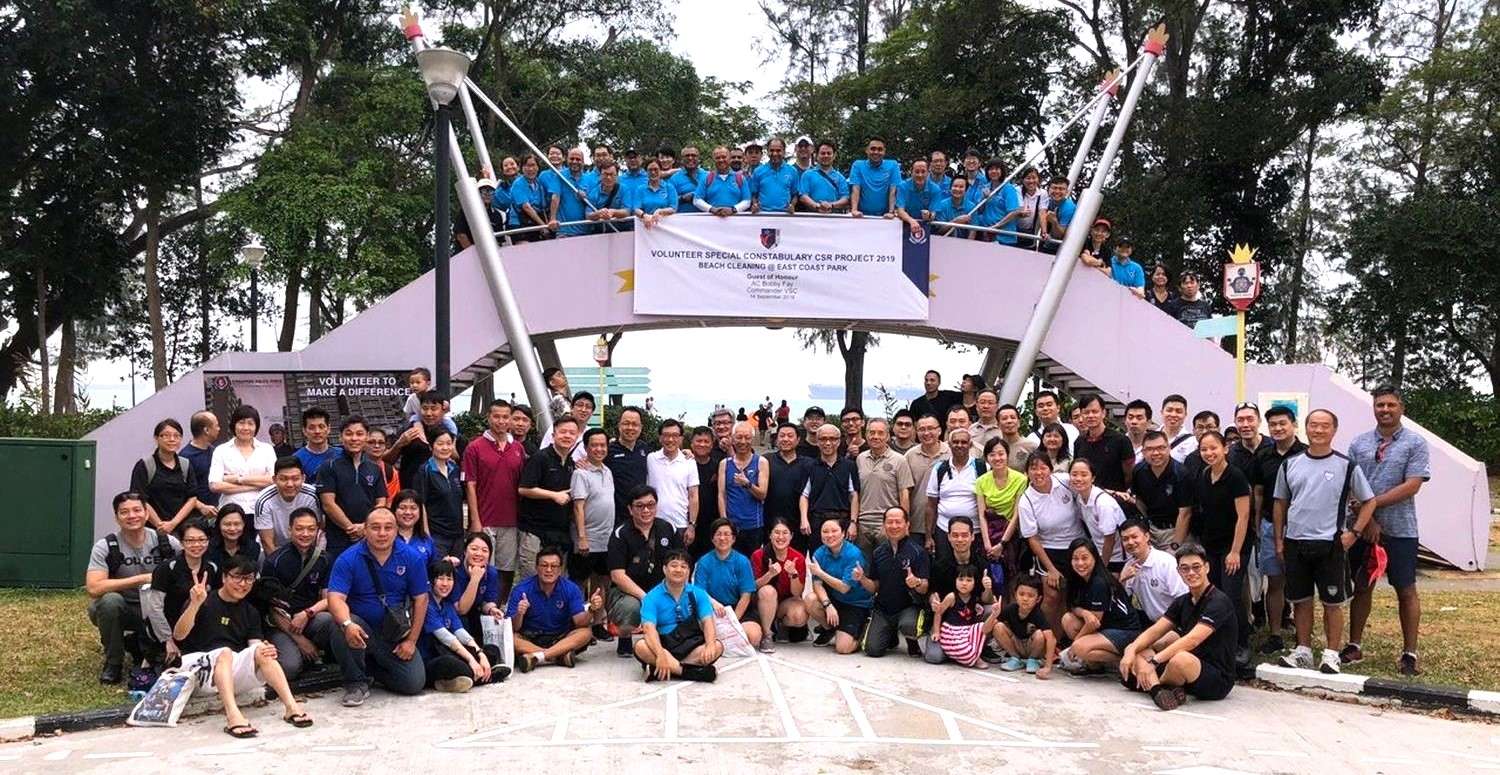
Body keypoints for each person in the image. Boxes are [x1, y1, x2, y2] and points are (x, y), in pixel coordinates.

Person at [1273, 408, 1377, 674]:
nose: (1318, 430)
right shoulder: (1290, 464)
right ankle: (1304, 650)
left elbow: (1369, 501)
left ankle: (1331, 654)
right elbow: (1280, 503)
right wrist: (1279, 540)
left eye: (1324, 426)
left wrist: (1353, 533)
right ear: (1305, 428)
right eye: (1313, 425)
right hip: (1296, 543)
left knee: (1333, 602)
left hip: (1330, 544)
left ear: (1334, 430)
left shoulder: (1346, 465)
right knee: (1301, 600)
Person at [174, 554, 312, 737]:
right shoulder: (204, 601)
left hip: (227, 672)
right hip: (196, 670)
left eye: (248, 578)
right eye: (237, 577)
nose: (243, 584)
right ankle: (233, 715)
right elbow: (179, 635)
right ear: (224, 577)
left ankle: (291, 707)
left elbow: (253, 645)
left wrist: (265, 648)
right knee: (224, 652)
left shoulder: (250, 611)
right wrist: (194, 605)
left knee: (261, 651)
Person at [1346, 387, 1429, 675]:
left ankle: (1409, 653)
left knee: (1405, 589)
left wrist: (1372, 504)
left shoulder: (1415, 443)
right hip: (1362, 528)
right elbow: (1350, 484)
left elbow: (1413, 484)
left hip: (1401, 529)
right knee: (1362, 586)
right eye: (1380, 404)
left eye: (1390, 405)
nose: (1385, 409)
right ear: (1373, 408)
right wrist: (1366, 519)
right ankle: (1354, 645)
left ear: (1401, 408)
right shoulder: (1358, 444)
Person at [326, 506, 428, 707]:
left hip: (393, 632)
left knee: (413, 683)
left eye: (388, 528)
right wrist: (347, 623)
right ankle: (355, 682)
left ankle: (370, 669)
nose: (382, 533)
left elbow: (421, 599)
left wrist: (412, 641)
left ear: (396, 530)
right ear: (364, 529)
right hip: (359, 628)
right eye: (375, 527)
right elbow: (335, 598)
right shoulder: (349, 558)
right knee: (339, 624)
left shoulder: (411, 557)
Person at [1120, 543, 1239, 710]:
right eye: (1185, 568)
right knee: (1141, 647)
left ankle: (1152, 686)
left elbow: (1193, 640)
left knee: (1179, 658)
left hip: (1216, 678)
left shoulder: (1219, 602)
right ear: (1179, 572)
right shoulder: (1183, 601)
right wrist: (1130, 650)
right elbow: (1155, 630)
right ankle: (1162, 690)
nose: (1191, 573)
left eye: (1196, 567)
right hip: (1184, 672)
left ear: (1207, 567)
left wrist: (1153, 662)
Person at [86, 492, 182, 683]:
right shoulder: (106, 546)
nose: (132, 516)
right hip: (127, 609)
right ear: (116, 517)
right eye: (124, 512)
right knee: (109, 602)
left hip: (160, 610)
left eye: (137, 510)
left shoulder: (167, 542)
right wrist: (140, 579)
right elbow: (94, 588)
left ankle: (146, 646)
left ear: (147, 514)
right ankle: (114, 662)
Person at [1187, 430, 1254, 666]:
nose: (1209, 453)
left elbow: (1243, 516)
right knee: (1212, 595)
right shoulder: (1204, 475)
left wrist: (1235, 551)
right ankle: (1217, 640)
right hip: (1211, 546)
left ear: (1225, 448)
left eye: (1213, 447)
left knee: (1232, 596)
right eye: (1204, 449)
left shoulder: (1235, 477)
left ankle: (1241, 643)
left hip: (1234, 547)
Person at [1249, 405, 1306, 652]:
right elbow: (1258, 492)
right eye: (1273, 425)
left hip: (1301, 529)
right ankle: (1275, 634)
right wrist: (1257, 523)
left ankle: (1303, 637)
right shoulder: (1263, 456)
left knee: (1302, 583)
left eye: (1283, 423)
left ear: (1294, 424)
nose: (1278, 428)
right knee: (1274, 582)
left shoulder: (1307, 454)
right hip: (1270, 525)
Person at [608, 484, 683, 658]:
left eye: (651, 505)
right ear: (630, 509)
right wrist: (646, 598)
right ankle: (625, 635)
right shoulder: (620, 534)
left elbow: (681, 562)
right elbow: (617, 576)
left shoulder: (668, 528)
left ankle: (667, 635)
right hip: (629, 593)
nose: (646, 510)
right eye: (640, 506)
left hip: (664, 588)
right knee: (630, 608)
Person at [261, 508, 334, 681]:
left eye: (311, 529)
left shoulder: (324, 559)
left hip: (308, 618)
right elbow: (269, 608)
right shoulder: (274, 561)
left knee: (332, 620)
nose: (305, 534)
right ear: (289, 530)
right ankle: (304, 653)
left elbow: (329, 598)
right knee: (290, 668)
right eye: (299, 528)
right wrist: (300, 640)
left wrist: (307, 613)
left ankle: (323, 655)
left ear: (318, 530)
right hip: (280, 624)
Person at [463, 399, 524, 593]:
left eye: (505, 417)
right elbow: (470, 485)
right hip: (485, 520)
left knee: (506, 571)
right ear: (488, 418)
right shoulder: (474, 447)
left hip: (511, 521)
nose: (501, 421)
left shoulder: (518, 449)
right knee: (481, 569)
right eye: (496, 416)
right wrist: (475, 520)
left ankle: (501, 610)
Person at [1057, 538, 1144, 674]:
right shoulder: (1076, 579)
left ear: (1095, 558)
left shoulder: (1099, 582)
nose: (1080, 563)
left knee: (1080, 647)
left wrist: (1074, 645)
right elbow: (1073, 606)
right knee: (1068, 619)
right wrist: (1084, 613)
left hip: (1125, 631)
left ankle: (1124, 660)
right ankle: (1094, 665)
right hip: (1105, 627)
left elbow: (1094, 623)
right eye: (1075, 559)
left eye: (1085, 558)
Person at [635, 549, 723, 683]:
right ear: (665, 569)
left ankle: (669, 668)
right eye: (674, 565)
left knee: (717, 646)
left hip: (690, 644)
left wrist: (710, 644)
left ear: (688, 571)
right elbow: (649, 629)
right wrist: (660, 654)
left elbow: (707, 622)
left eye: (683, 566)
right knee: (640, 646)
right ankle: (688, 672)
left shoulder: (698, 593)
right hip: (664, 645)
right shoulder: (651, 597)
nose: (678, 570)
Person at [508, 545, 598, 671]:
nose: (549, 570)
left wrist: (592, 609)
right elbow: (513, 627)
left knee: (586, 633)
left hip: (561, 638)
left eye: (554, 566)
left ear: (560, 569)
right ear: (536, 568)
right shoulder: (521, 589)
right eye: (544, 565)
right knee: (510, 638)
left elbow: (579, 623)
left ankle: (537, 657)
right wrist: (520, 613)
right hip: (530, 638)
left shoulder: (571, 588)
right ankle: (559, 656)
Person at [144, 518, 220, 667]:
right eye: (190, 540)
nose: (196, 545)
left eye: (202, 540)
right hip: (167, 630)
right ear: (181, 542)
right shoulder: (167, 568)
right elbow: (154, 608)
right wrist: (167, 640)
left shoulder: (212, 568)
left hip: (198, 630)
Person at [420, 559, 504, 692]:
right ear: (431, 581)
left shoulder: (447, 604)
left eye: (449, 579)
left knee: (492, 650)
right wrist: (472, 660)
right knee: (453, 663)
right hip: (432, 659)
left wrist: (480, 654)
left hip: (450, 651)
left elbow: (461, 633)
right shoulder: (426, 604)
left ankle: (471, 678)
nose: (445, 584)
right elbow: (447, 638)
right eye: (440, 579)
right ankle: (487, 676)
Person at [859, 507, 929, 658]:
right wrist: (862, 579)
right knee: (872, 650)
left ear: (907, 524)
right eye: (890, 522)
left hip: (908, 607)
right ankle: (890, 634)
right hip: (883, 609)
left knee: (909, 626)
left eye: (898, 522)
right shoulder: (878, 552)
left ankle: (911, 640)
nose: (894, 526)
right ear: (884, 525)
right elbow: (875, 586)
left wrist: (916, 582)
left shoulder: (918, 551)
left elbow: (925, 588)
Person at [518, 415, 579, 579]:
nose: (567, 436)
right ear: (553, 435)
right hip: (534, 531)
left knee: (554, 581)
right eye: (563, 432)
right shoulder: (540, 458)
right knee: (531, 579)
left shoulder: (571, 463)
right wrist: (553, 495)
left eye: (572, 433)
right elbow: (524, 488)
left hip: (559, 534)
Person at [318, 415, 388, 560]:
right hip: (338, 539)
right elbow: (328, 504)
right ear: (340, 437)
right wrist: (351, 528)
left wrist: (366, 527)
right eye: (349, 433)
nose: (354, 438)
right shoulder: (329, 466)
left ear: (366, 437)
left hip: (369, 537)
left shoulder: (375, 469)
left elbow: (381, 502)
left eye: (359, 434)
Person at [570, 428, 615, 636]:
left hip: (606, 539)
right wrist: (582, 537)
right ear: (586, 448)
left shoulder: (607, 471)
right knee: (579, 582)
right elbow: (578, 507)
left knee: (602, 581)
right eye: (594, 445)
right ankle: (579, 624)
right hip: (587, 538)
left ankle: (598, 623)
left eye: (602, 445)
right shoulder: (580, 474)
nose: (599, 449)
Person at [806, 519, 873, 653]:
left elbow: (844, 588)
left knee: (843, 648)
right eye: (825, 532)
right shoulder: (819, 553)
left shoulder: (853, 554)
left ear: (843, 533)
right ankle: (830, 629)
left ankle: (863, 630)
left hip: (855, 603)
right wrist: (827, 604)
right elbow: (817, 584)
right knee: (810, 599)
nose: (829, 535)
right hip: (835, 600)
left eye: (834, 531)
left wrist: (820, 572)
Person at [694, 519, 764, 647]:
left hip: (737, 609)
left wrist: (733, 622)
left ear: (733, 539)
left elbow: (746, 595)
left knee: (753, 636)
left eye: (727, 534)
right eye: (718, 534)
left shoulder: (742, 561)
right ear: (712, 538)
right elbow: (699, 591)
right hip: (713, 608)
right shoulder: (704, 561)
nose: (722, 538)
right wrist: (714, 604)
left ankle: (724, 641)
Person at [130, 419, 202, 535]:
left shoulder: (185, 465)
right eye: (166, 435)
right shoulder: (145, 465)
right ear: (156, 438)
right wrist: (160, 525)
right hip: (152, 530)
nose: (172, 439)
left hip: (182, 529)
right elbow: (140, 499)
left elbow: (192, 498)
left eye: (177, 436)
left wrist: (173, 523)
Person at [854, 418, 914, 556]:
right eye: (872, 432)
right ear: (866, 435)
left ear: (887, 436)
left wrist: (904, 524)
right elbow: (856, 493)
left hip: (888, 523)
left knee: (887, 566)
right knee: (864, 568)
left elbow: (904, 493)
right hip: (863, 524)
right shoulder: (860, 459)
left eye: (880, 433)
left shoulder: (899, 460)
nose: (875, 437)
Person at [1124, 431, 1193, 551]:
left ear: (1169, 448)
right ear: (1143, 452)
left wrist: (1175, 545)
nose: (1155, 453)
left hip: (1174, 531)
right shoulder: (1139, 471)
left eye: (1160, 448)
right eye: (1150, 449)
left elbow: (1185, 513)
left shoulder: (1181, 473)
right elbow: (1139, 501)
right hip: (1151, 529)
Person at [975, 438, 1028, 587]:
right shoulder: (981, 481)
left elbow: (1017, 514)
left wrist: (1002, 544)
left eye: (1001, 453)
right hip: (989, 535)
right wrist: (987, 544)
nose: (997, 458)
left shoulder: (1021, 479)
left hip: (1011, 535)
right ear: (986, 458)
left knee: (1013, 579)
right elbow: (981, 514)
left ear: (1007, 455)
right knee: (991, 580)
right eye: (992, 454)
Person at [209, 405, 277, 520]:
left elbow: (274, 480)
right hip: (230, 513)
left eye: (250, 423)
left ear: (256, 427)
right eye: (241, 423)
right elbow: (215, 485)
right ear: (234, 425)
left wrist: (238, 479)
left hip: (261, 511)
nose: (245, 428)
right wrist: (256, 485)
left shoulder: (267, 449)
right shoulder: (221, 450)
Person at [751, 520, 810, 651]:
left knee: (799, 615)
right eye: (776, 532)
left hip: (784, 603)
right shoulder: (759, 555)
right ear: (770, 535)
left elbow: (797, 593)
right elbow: (752, 587)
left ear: (791, 536)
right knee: (768, 591)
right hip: (763, 602)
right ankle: (767, 635)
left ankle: (780, 624)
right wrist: (769, 575)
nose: (781, 537)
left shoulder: (797, 558)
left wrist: (794, 575)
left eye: (785, 533)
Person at [801, 424, 860, 553]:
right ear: (817, 441)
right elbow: (804, 495)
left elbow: (853, 495)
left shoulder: (849, 466)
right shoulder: (809, 466)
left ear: (839, 441)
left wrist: (853, 523)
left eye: (832, 439)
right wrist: (804, 519)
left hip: (842, 522)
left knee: (843, 560)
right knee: (817, 560)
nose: (828, 443)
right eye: (823, 439)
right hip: (817, 522)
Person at [926, 427, 983, 558]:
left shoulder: (981, 467)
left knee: (974, 571)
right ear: (949, 444)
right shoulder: (939, 468)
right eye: (955, 442)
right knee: (945, 570)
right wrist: (929, 537)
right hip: (945, 530)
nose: (959, 445)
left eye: (963, 442)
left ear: (970, 444)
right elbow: (930, 505)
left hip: (975, 532)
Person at [411, 427, 468, 559]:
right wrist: (426, 534)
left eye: (448, 444)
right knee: (438, 573)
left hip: (457, 534)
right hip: (437, 535)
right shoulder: (424, 471)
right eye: (440, 444)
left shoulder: (455, 469)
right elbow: (421, 504)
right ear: (431, 446)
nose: (445, 448)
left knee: (456, 574)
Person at [1119, 518, 1189, 623]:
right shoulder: (1128, 567)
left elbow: (1183, 598)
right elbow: (1121, 602)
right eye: (1125, 539)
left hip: (1175, 622)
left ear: (1147, 536)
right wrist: (1122, 580)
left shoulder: (1166, 562)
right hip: (1150, 623)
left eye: (1134, 537)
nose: (1130, 542)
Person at [714, 422, 768, 557]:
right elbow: (721, 494)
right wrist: (724, 521)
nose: (743, 441)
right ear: (732, 439)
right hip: (732, 525)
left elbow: (762, 494)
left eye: (747, 437)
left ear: (752, 439)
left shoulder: (761, 462)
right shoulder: (725, 464)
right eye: (739, 437)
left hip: (753, 525)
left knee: (752, 566)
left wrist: (747, 484)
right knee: (730, 563)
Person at [931, 564, 999, 668]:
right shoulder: (952, 597)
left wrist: (987, 589)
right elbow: (939, 612)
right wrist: (936, 632)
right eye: (961, 579)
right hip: (952, 631)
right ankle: (974, 658)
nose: (964, 583)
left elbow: (989, 600)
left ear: (975, 582)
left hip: (967, 632)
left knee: (990, 623)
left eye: (969, 580)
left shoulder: (975, 596)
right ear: (955, 580)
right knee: (965, 651)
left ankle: (971, 656)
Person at [646, 419, 700, 546]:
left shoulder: (689, 462)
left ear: (681, 439)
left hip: (680, 525)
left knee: (678, 563)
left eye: (675, 436)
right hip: (653, 524)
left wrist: (692, 525)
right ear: (660, 438)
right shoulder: (651, 459)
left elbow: (693, 496)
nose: (670, 440)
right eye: (666, 435)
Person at [1068, 458, 1127, 572]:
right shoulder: (1080, 497)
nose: (1078, 479)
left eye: (1084, 475)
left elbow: (1110, 538)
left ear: (1093, 478)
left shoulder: (1103, 503)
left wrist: (1102, 568)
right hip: (1097, 553)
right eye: (1074, 474)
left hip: (1116, 557)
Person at [254, 456, 322, 555]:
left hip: (305, 547)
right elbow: (267, 542)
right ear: (274, 479)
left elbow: (316, 532)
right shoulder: (263, 500)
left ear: (303, 478)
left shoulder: (312, 496)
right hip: (275, 548)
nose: (290, 484)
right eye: (283, 479)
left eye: (295, 479)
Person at [1073, 394, 1134, 492]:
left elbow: (1129, 475)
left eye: (1095, 411)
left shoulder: (1120, 440)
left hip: (1114, 499)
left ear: (1103, 413)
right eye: (1086, 412)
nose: (1091, 415)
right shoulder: (1079, 442)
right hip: (1086, 499)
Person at [689, 426, 723, 555]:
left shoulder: (719, 465)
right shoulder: (684, 464)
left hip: (712, 523)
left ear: (712, 444)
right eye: (698, 441)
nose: (702, 444)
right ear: (691, 443)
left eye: (706, 441)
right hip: (690, 522)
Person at [179, 411, 221, 512]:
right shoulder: (185, 457)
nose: (219, 429)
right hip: (197, 514)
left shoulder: (214, 451)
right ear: (206, 430)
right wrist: (202, 506)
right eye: (216, 425)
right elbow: (182, 490)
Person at [848, 136, 900, 218]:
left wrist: (891, 212)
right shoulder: (857, 165)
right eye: (873, 149)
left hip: (885, 216)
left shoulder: (893, 165)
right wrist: (854, 210)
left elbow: (893, 191)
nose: (876, 152)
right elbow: (856, 189)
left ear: (884, 151)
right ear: (867, 150)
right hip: (861, 215)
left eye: (880, 149)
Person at [693, 146, 751, 216]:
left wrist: (733, 209)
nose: (721, 160)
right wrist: (712, 209)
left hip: (735, 221)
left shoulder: (740, 178)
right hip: (712, 221)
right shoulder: (706, 178)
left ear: (729, 158)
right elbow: (697, 200)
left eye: (724, 157)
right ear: (713, 159)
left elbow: (747, 201)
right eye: (717, 158)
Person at [547, 147, 592, 237]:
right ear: (567, 160)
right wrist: (552, 219)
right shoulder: (560, 175)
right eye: (572, 159)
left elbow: (594, 201)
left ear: (583, 162)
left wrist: (585, 197)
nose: (574, 161)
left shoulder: (589, 179)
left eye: (578, 159)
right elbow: (555, 197)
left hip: (585, 231)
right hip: (564, 231)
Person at [797, 140, 851, 213]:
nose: (826, 156)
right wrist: (817, 206)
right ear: (817, 155)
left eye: (829, 153)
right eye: (823, 153)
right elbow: (803, 196)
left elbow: (845, 198)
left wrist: (831, 205)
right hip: (812, 218)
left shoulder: (840, 178)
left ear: (834, 155)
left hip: (835, 218)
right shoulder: (807, 175)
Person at [752, 137, 800, 214]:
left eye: (778, 150)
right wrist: (755, 204)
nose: (775, 153)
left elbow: (795, 194)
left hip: (785, 215)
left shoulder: (792, 171)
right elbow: (754, 194)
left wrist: (792, 205)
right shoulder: (758, 171)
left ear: (784, 152)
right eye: (771, 150)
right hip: (763, 214)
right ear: (767, 152)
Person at [894, 158, 941, 236]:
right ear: (911, 172)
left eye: (923, 172)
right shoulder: (903, 186)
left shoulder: (935, 189)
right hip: (905, 225)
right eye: (917, 172)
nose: (920, 175)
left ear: (928, 173)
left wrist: (929, 216)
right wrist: (911, 221)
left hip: (928, 229)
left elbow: (933, 213)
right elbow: (900, 210)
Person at [511, 154, 554, 239]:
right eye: (527, 166)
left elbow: (544, 206)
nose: (530, 169)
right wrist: (543, 226)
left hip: (536, 222)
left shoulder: (539, 183)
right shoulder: (518, 184)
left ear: (538, 167)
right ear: (521, 168)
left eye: (533, 165)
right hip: (520, 224)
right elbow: (526, 207)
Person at [208, 503, 262, 569]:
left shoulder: (253, 548)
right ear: (218, 525)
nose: (232, 529)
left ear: (244, 524)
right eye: (227, 524)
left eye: (237, 524)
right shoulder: (208, 548)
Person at [293, 408, 340, 480]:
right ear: (304, 431)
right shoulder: (297, 459)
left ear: (328, 428)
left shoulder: (342, 455)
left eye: (321, 427)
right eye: (312, 428)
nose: (317, 431)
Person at [584, 160, 630, 232]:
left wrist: (613, 212)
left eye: (611, 174)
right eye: (605, 174)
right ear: (600, 175)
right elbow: (588, 215)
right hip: (600, 233)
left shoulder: (624, 190)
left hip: (620, 232)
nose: (608, 177)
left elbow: (627, 211)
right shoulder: (593, 193)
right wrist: (599, 213)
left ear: (617, 175)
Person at [392, 489, 436, 564]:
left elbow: (432, 570)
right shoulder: (386, 538)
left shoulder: (427, 541)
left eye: (413, 508)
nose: (408, 512)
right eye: (402, 508)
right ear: (394, 511)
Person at [630, 159, 678, 228]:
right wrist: (644, 215)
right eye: (650, 170)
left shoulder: (669, 187)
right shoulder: (640, 189)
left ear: (661, 170)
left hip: (667, 227)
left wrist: (660, 211)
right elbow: (636, 208)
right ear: (646, 172)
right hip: (646, 226)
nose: (653, 172)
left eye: (656, 169)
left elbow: (673, 208)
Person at [996, 405, 1037, 472]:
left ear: (1019, 422)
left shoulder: (1031, 447)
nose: (1009, 421)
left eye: (1013, 418)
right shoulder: (995, 447)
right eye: (1004, 418)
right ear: (998, 425)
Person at [366, 428, 401, 501]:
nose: (376, 446)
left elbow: (394, 500)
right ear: (363, 445)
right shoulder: (355, 468)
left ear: (385, 446)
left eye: (381, 443)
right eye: (371, 442)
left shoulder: (391, 472)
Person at [667, 145, 705, 213]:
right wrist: (682, 198)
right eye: (687, 156)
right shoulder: (674, 179)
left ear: (698, 158)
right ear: (682, 159)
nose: (690, 158)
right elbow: (667, 201)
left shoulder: (707, 176)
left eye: (693, 155)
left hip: (706, 220)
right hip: (683, 220)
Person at [968, 389, 1003, 454]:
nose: (986, 406)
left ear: (997, 406)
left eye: (990, 403)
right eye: (982, 402)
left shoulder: (1003, 430)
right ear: (976, 406)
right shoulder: (970, 429)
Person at [1122, 400, 1153, 465]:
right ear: (1125, 420)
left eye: (1139, 418)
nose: (1134, 422)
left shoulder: (1155, 446)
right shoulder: (1117, 444)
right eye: (1130, 417)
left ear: (1149, 422)